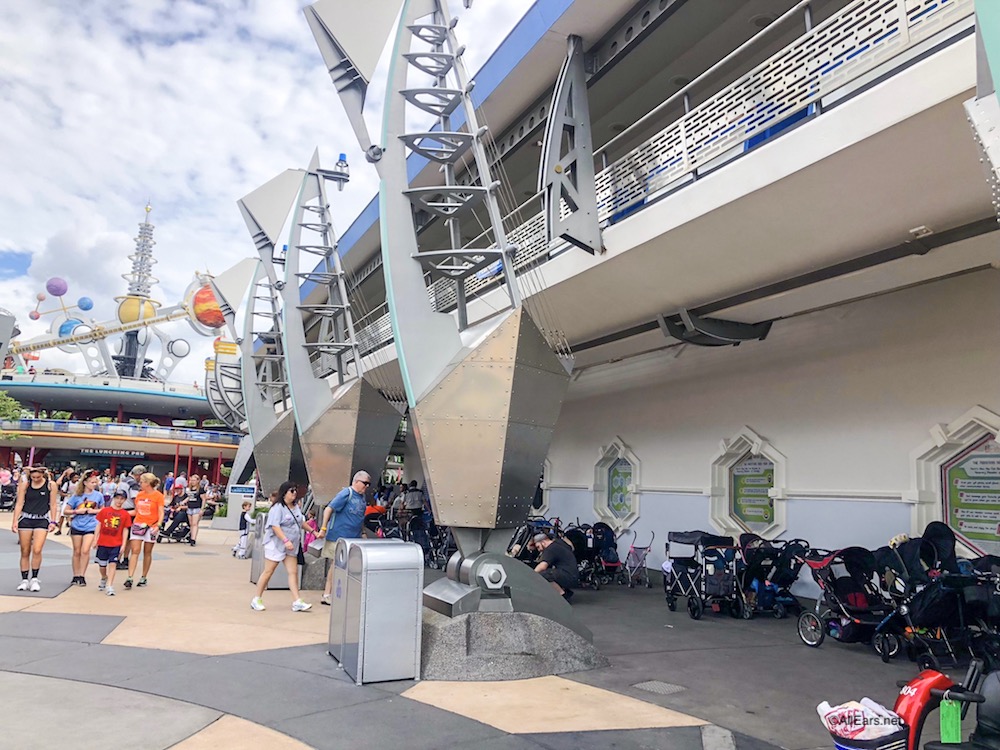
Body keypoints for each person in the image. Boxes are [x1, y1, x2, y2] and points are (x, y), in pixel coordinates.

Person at [250, 481, 311, 612]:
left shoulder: (296, 507)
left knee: (292, 572)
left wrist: (313, 531)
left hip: (291, 546)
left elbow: (300, 522)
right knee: (268, 571)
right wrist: (285, 540)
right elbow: (275, 526)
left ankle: (297, 601)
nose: (294, 494)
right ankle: (257, 598)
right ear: (284, 493)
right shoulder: (277, 508)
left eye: (295, 491)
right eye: (292, 491)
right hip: (276, 544)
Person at [319, 471, 370, 605]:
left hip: (354, 537)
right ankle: (327, 593)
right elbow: (329, 509)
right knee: (335, 565)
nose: (366, 486)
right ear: (356, 481)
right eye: (365, 483)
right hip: (338, 536)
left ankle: (340, 592)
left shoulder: (362, 498)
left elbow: (360, 517)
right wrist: (323, 528)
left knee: (348, 566)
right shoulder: (346, 493)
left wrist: (363, 533)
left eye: (368, 484)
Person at [11, 466, 59, 592]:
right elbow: (19, 503)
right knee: (25, 550)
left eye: (38, 477)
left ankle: (35, 578)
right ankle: (24, 579)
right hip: (26, 518)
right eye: (33, 477)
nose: (36, 479)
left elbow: (53, 504)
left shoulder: (50, 485)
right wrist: (15, 520)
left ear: (43, 475)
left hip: (42, 519)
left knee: (37, 549)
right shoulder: (25, 485)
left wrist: (53, 521)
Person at [123, 473, 165, 589]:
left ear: (147, 483)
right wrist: (122, 513)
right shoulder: (139, 495)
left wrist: (159, 524)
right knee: (135, 550)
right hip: (138, 524)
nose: (140, 484)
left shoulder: (158, 496)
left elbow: (161, 511)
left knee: (147, 551)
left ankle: (143, 576)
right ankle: (130, 577)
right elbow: (136, 511)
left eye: (141, 482)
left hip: (151, 525)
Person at [64, 470, 105, 585]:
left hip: (91, 525)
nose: (94, 484)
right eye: (92, 482)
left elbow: (103, 510)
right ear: (85, 483)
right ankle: (75, 574)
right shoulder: (77, 496)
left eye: (95, 482)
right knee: (77, 551)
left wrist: (94, 511)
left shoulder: (98, 496)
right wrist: (77, 511)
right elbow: (66, 511)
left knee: (85, 550)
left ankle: (82, 575)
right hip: (77, 525)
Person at [94, 490, 131, 596]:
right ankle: (104, 577)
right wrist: (95, 539)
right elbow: (99, 525)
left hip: (116, 543)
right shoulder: (104, 511)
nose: (119, 501)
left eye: (122, 499)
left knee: (113, 564)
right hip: (103, 542)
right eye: (117, 498)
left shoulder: (125, 514)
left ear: (124, 500)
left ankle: (110, 585)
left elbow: (125, 529)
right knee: (102, 565)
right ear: (113, 498)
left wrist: (123, 544)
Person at [533, 532, 579, 602]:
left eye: (538, 546)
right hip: (574, 575)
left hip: (568, 576)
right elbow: (571, 546)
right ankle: (565, 590)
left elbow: (543, 566)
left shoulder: (550, 549)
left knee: (543, 574)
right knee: (553, 571)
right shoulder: (559, 543)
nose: (539, 550)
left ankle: (563, 595)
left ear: (543, 542)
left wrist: (531, 575)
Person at [117, 464, 146, 570]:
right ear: (139, 474)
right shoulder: (133, 484)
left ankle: (117, 558)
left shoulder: (123, 481)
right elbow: (135, 499)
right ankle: (123, 558)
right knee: (128, 537)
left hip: (120, 509)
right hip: (130, 511)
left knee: (121, 536)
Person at [183, 473, 204, 546]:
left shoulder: (200, 489)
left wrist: (202, 509)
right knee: (191, 524)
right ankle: (191, 537)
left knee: (195, 524)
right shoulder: (189, 489)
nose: (192, 481)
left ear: (198, 481)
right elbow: (189, 497)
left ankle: (193, 539)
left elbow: (204, 499)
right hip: (190, 507)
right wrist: (183, 502)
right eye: (192, 480)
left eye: (194, 480)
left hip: (197, 507)